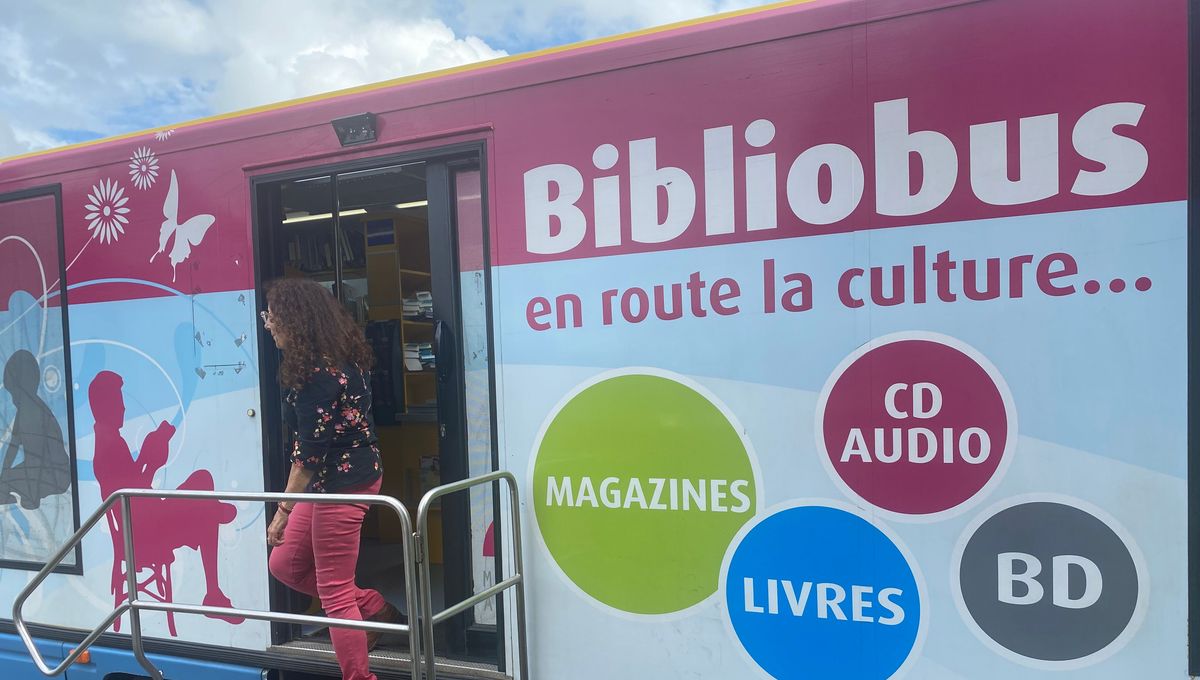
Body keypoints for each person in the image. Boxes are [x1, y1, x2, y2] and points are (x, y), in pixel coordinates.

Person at [263, 279, 398, 680]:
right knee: (285, 564)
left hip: (342, 484)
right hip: (330, 483)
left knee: (335, 591)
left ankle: (359, 675)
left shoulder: (317, 374)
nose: (268, 324)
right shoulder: (335, 357)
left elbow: (308, 453)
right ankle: (372, 607)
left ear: (294, 320)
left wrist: (282, 511)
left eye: (272, 316)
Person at [88, 369, 243, 627]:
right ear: (105, 405)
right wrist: (152, 458)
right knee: (203, 484)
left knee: (201, 482)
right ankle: (213, 588)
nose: (124, 408)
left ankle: (211, 512)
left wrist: (150, 455)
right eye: (118, 401)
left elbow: (134, 490)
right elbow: (136, 499)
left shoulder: (108, 440)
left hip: (143, 523)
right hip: (145, 533)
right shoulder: (110, 445)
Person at [0, 350, 71, 509]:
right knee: (8, 477)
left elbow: (36, 457)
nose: (12, 400)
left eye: (13, 394)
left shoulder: (32, 411)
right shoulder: (26, 410)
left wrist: (10, 481)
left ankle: (29, 492)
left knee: (11, 477)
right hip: (46, 471)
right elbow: (13, 446)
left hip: (54, 474)